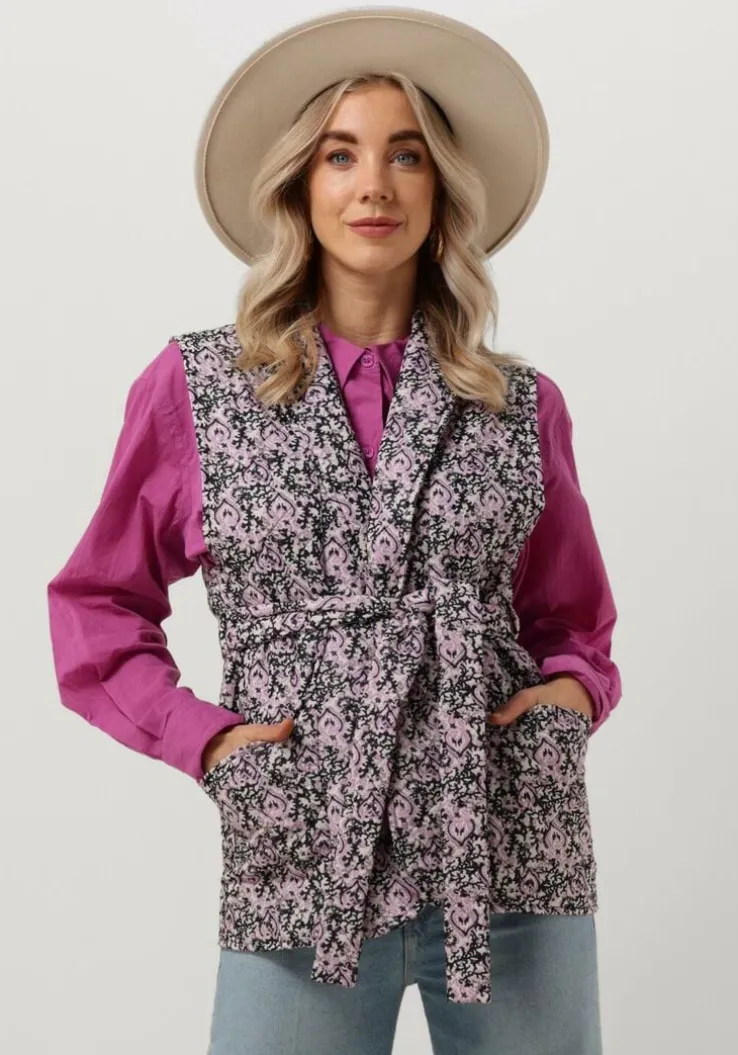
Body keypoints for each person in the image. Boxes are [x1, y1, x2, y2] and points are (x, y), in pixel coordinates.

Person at [46, 8, 622, 1054]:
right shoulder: (198, 387)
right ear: (298, 186)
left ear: (441, 191)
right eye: (340, 154)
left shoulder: (519, 405)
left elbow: (573, 618)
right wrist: (207, 739)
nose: (374, 186)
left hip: (505, 840)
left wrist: (568, 696)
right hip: (303, 845)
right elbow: (97, 604)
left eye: (407, 154)